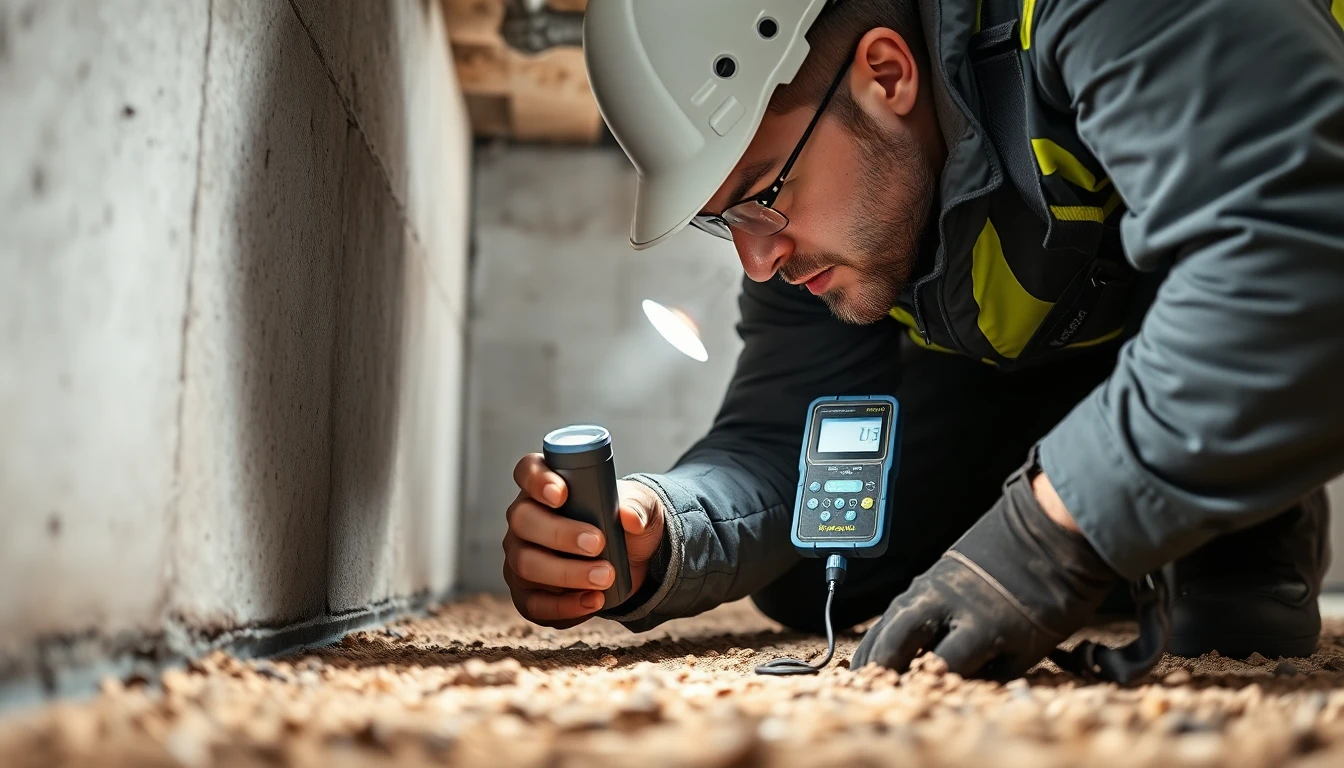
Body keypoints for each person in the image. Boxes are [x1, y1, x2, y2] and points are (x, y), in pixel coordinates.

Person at [501, 0, 1344, 679]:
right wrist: (663, 530)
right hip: (1067, 377)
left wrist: (1047, 539)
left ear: (886, 73)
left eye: (760, 195)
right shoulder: (835, 214)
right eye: (727, 224)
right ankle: (1119, 525)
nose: (759, 262)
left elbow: (1296, 248)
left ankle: (1209, 520)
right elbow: (788, 439)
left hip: (1217, 307)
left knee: (1235, 626)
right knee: (820, 572)